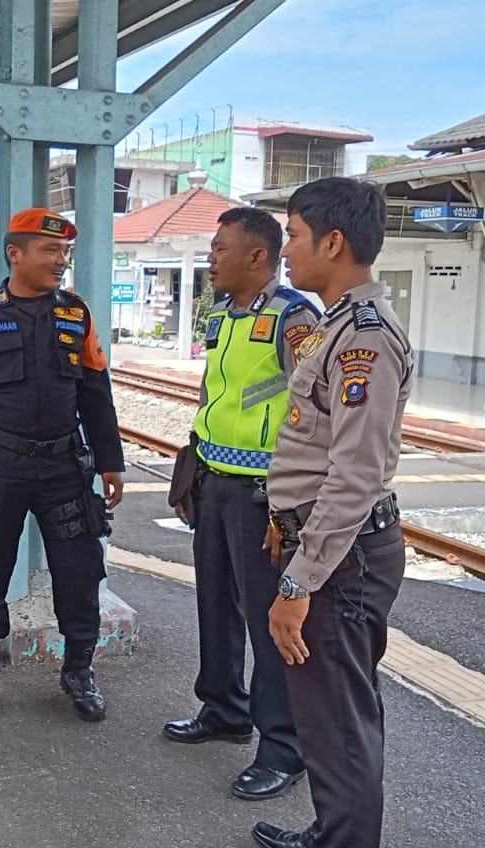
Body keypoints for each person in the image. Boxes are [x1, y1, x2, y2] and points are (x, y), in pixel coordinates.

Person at [254, 177, 414, 848]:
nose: (286, 250)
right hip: (324, 544)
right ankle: (333, 831)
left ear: (334, 240)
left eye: (292, 236)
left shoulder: (362, 342)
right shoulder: (336, 321)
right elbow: (314, 448)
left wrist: (299, 582)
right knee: (327, 714)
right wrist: (281, 517)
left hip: (340, 560)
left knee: (340, 721)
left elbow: (356, 475)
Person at [0, 208, 124, 727]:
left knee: (79, 569)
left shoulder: (75, 314)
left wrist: (110, 461)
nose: (60, 261)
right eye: (49, 251)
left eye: (64, 252)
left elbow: (95, 392)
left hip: (65, 466)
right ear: (14, 254)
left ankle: (79, 669)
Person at [163, 207, 318, 801]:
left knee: (267, 621)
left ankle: (283, 747)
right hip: (216, 483)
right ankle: (224, 708)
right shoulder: (223, 314)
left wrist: (289, 504)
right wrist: (195, 466)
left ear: (259, 256)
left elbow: (313, 415)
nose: (211, 256)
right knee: (216, 606)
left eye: (221, 248)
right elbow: (215, 393)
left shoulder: (294, 318)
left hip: (265, 497)